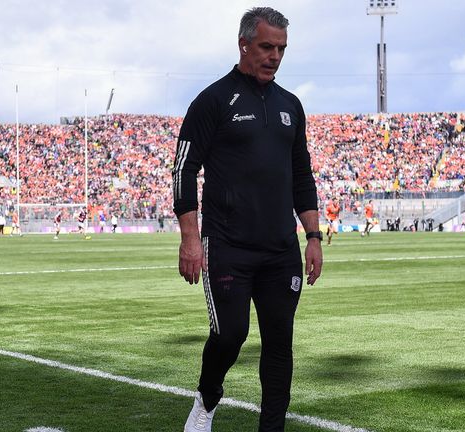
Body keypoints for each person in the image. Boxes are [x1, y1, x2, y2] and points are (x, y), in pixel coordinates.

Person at [173, 7, 322, 431]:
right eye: (266, 47)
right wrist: (189, 239)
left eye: (281, 49)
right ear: (244, 44)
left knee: (279, 345)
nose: (274, 56)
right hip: (227, 246)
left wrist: (312, 235)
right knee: (230, 334)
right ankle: (206, 401)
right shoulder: (213, 100)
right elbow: (183, 169)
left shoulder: (291, 105)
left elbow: (302, 174)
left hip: (280, 249)